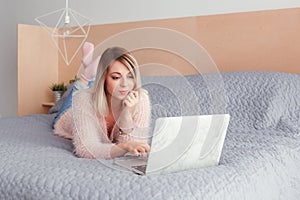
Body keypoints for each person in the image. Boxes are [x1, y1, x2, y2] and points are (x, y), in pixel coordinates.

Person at [53, 42, 151, 159]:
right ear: (104, 78)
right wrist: (123, 147)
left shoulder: (141, 99)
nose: (125, 84)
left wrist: (126, 113)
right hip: (67, 117)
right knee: (63, 111)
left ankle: (89, 70)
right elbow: (86, 149)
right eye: (116, 77)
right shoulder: (83, 99)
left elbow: (135, 148)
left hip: (99, 93)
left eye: (130, 76)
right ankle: (85, 77)